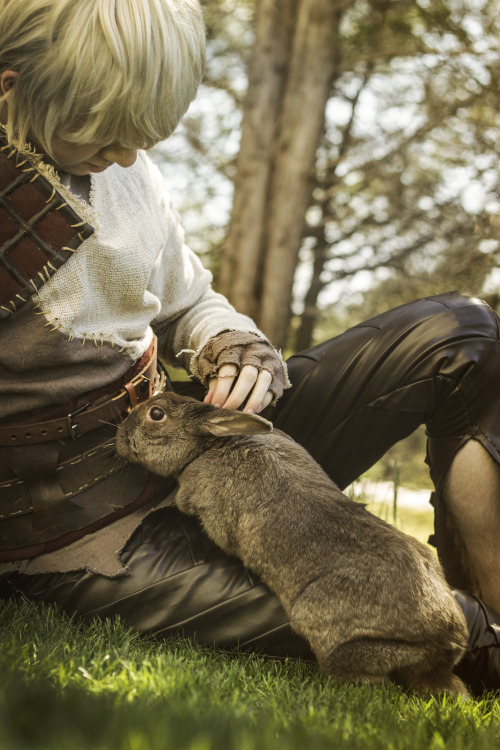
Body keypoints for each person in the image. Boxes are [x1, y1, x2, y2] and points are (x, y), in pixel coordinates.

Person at [0, 0, 499, 697]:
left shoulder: (128, 168)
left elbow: (189, 300)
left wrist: (232, 346)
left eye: (139, 132)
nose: (129, 156)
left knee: (461, 335)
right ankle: (483, 638)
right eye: (107, 134)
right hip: (89, 538)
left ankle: (489, 589)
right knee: (397, 620)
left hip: (210, 450)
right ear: (10, 85)